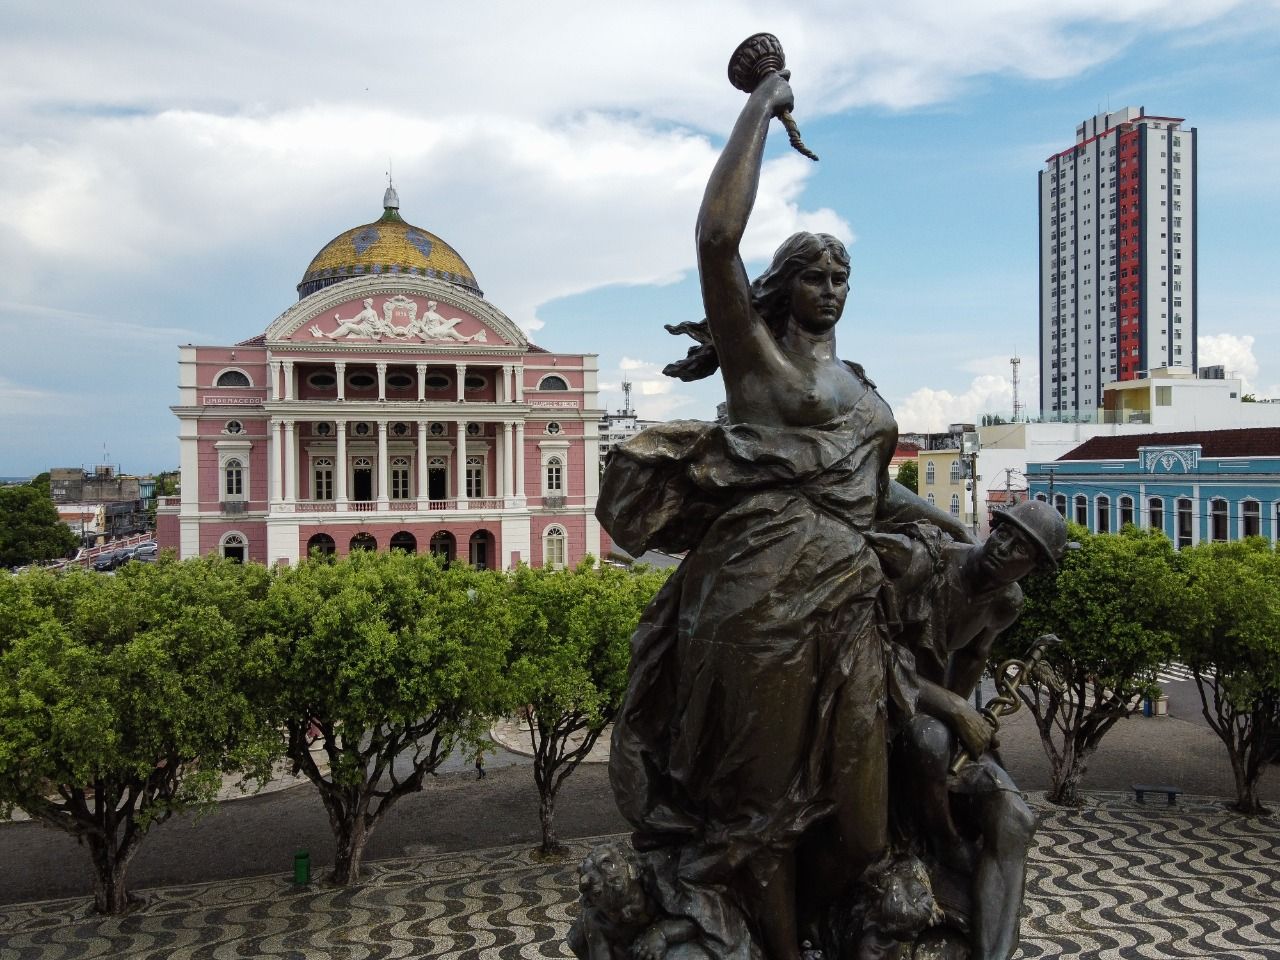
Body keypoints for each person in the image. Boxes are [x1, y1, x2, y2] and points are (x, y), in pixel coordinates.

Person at [599, 70, 972, 960]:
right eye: (815, 274)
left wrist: (950, 527)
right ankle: (776, 947)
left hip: (847, 604)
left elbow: (873, 487)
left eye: (844, 274)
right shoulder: (760, 366)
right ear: (786, 286)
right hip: (755, 603)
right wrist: (761, 105)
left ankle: (827, 922)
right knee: (757, 808)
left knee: (865, 827)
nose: (833, 287)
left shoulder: (860, 386)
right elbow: (716, 238)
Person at [883, 500, 1071, 960]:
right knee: (930, 740)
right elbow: (872, 651)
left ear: (1034, 567)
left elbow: (971, 660)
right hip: (884, 701)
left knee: (1016, 820)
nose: (1003, 547)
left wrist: (966, 718)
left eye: (1020, 548)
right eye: (1003, 533)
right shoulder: (930, 566)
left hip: (935, 711)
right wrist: (952, 710)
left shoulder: (1007, 604)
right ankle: (945, 844)